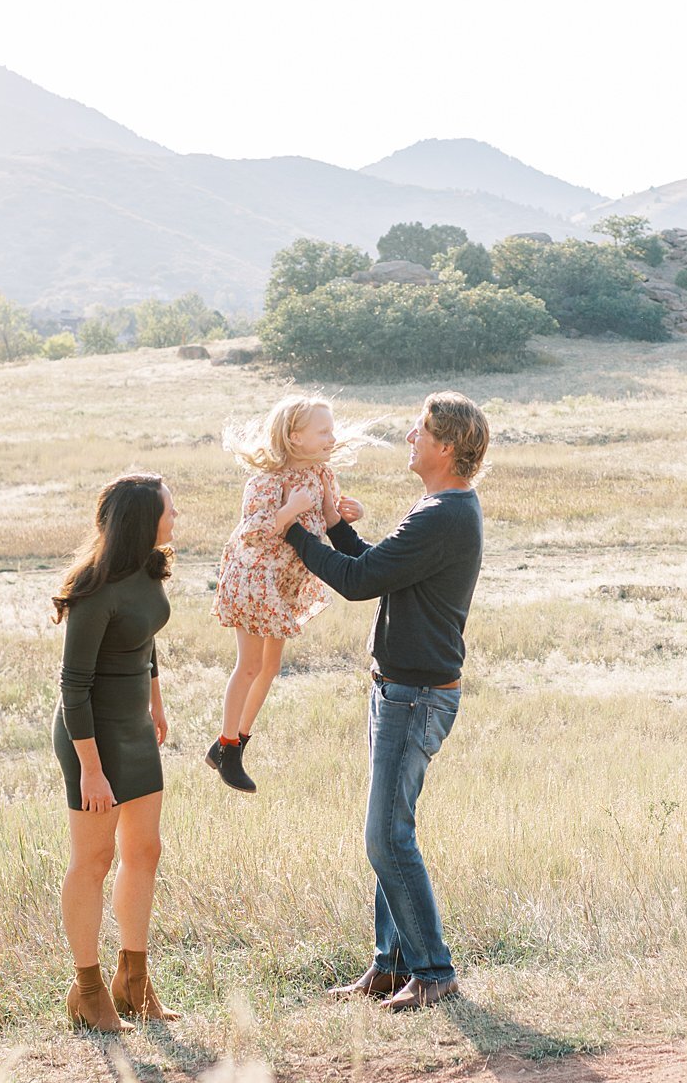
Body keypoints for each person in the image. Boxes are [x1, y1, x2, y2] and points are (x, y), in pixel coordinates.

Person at [281, 392, 489, 1012]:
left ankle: (433, 970)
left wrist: (293, 530)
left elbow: (359, 582)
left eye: (419, 430)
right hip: (403, 689)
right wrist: (336, 526)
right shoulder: (441, 508)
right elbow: (378, 566)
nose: (409, 437)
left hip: (415, 696)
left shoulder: (443, 515)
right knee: (391, 831)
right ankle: (390, 966)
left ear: (446, 446)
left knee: (386, 838)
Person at [51, 472, 183, 1033]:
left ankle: (133, 981)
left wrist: (155, 702)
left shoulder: (148, 570)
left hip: (134, 729)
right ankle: (87, 992)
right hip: (92, 739)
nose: (175, 518)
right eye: (168, 510)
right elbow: (73, 687)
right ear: (140, 520)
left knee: (145, 850)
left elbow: (145, 644)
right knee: (94, 861)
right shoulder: (95, 590)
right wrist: (92, 769)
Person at [206, 395, 365, 791]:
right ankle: (226, 746)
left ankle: (235, 744)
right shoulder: (266, 479)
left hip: (285, 583)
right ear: (295, 437)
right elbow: (254, 531)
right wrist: (290, 509)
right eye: (323, 431)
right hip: (254, 578)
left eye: (332, 430)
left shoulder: (322, 475)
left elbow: (329, 520)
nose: (332, 437)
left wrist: (347, 515)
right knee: (249, 665)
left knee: (271, 668)